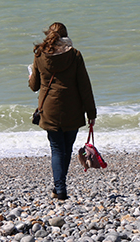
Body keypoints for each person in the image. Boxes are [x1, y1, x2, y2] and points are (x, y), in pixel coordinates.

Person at [29, 22, 97, 200]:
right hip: (73, 109)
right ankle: (60, 186)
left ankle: (60, 188)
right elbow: (85, 87)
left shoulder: (40, 55)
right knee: (66, 149)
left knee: (57, 149)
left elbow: (34, 85)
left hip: (49, 109)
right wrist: (91, 113)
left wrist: (30, 76)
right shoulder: (75, 55)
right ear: (66, 36)